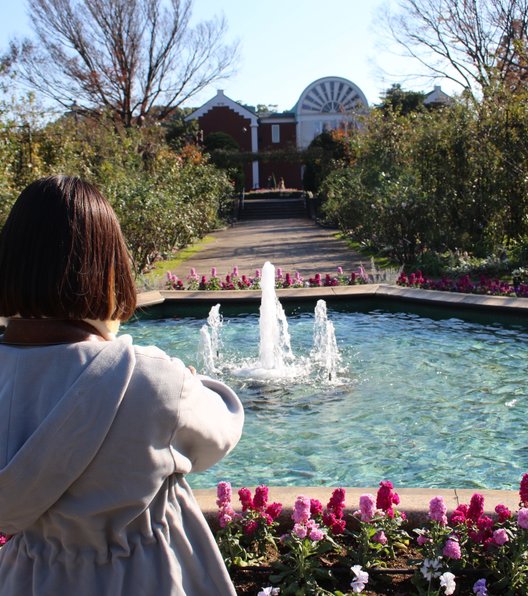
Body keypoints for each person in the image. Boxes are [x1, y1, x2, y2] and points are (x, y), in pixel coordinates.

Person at [0, 175, 244, 595]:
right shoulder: (150, 377)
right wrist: (192, 382)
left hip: (28, 577)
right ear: (106, 267)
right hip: (143, 579)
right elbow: (219, 436)